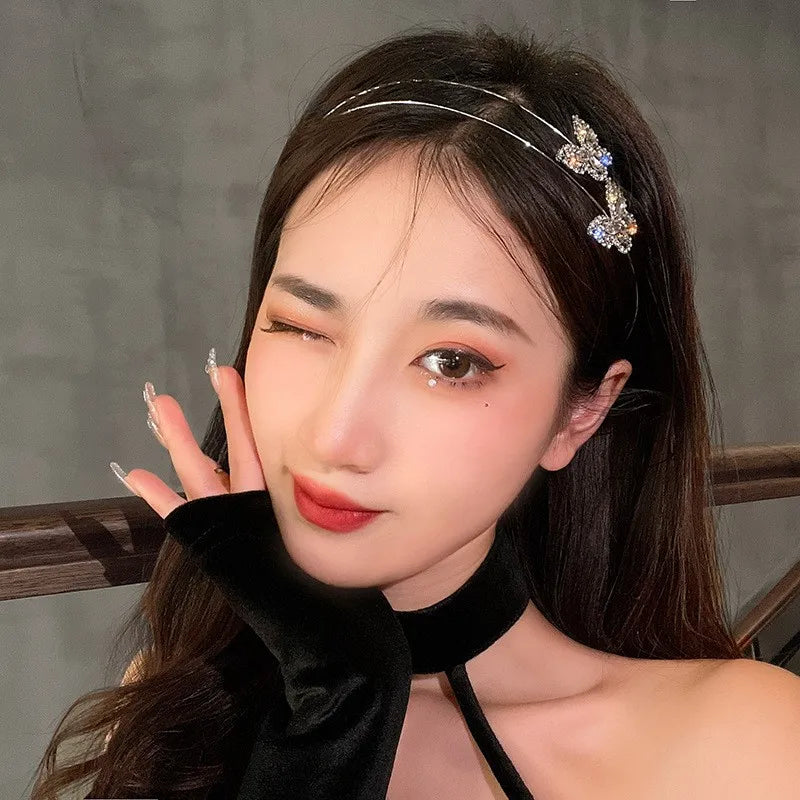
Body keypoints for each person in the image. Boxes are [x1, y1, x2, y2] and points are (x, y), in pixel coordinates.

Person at [30, 23, 800, 800]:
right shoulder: (181, 708)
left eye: (451, 362)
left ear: (582, 411)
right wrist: (334, 708)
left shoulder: (745, 744)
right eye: (302, 326)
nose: (336, 436)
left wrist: (344, 703)